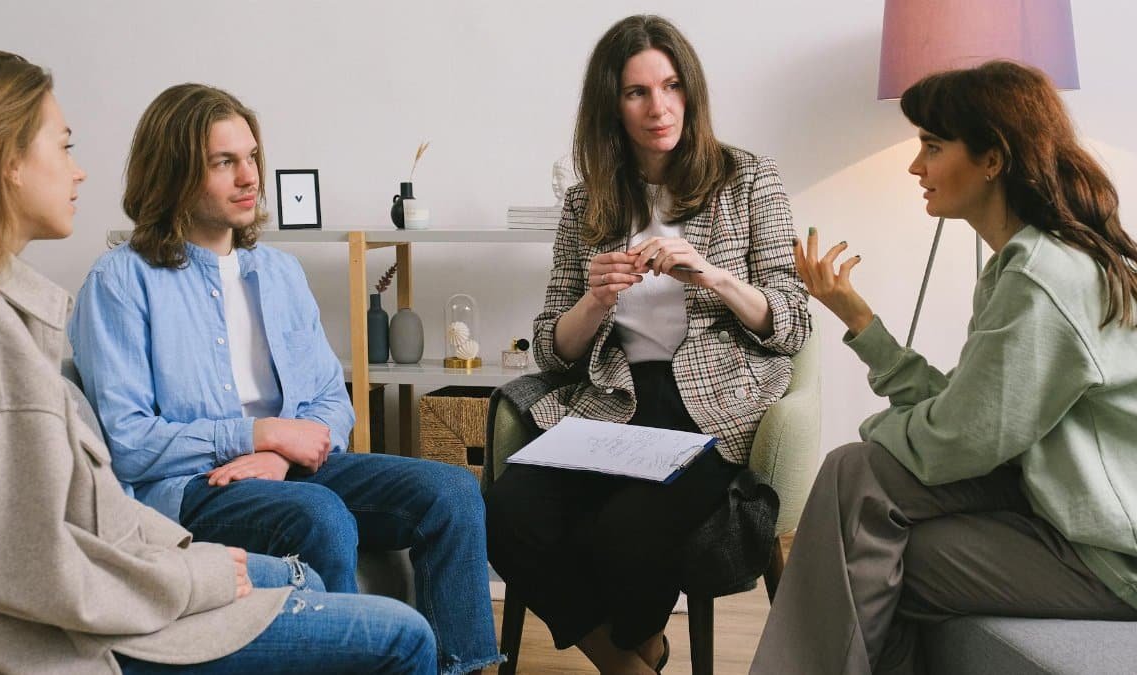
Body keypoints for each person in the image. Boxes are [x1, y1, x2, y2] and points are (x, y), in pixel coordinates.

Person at [0, 49, 436, 675]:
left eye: (251, 156)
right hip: (92, 629)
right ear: (7, 162)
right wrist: (193, 574)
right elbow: (33, 563)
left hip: (145, 560)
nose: (80, 171)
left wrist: (263, 470)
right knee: (395, 627)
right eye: (63, 146)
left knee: (413, 511)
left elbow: (82, 517)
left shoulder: (7, 313)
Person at [66, 82, 500, 675]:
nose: (249, 178)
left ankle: (461, 669)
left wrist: (280, 455)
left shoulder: (278, 271)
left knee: (451, 493)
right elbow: (128, 442)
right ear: (172, 173)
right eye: (224, 162)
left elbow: (328, 399)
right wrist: (260, 436)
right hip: (189, 489)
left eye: (251, 159)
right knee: (316, 514)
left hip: (288, 467)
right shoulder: (121, 281)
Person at [751, 60, 1137, 674]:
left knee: (862, 494)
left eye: (932, 146)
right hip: (1056, 515)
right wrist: (860, 321)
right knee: (869, 525)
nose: (915, 166)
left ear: (993, 159)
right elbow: (969, 413)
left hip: (1110, 559)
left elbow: (958, 440)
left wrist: (875, 428)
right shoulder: (1026, 264)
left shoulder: (1044, 278)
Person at [483, 15, 811, 675]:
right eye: (637, 92)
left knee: (624, 531)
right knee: (504, 508)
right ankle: (630, 659)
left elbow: (794, 323)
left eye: (670, 86)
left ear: (690, 91)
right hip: (615, 401)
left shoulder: (749, 179)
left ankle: (635, 645)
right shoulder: (587, 205)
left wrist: (711, 275)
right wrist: (594, 299)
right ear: (612, 105)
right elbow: (553, 348)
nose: (658, 107)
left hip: (714, 408)